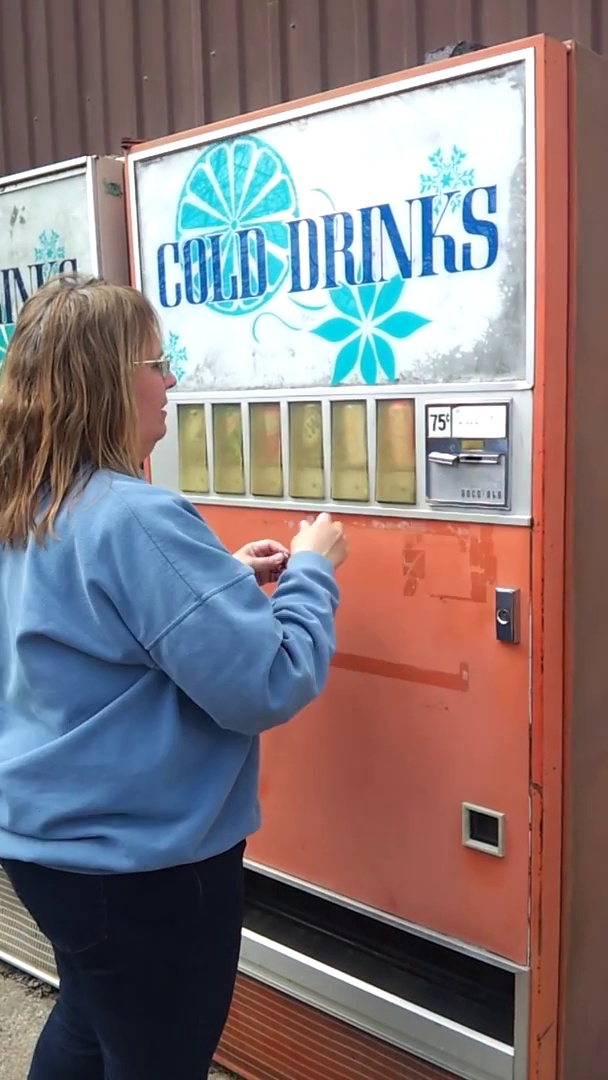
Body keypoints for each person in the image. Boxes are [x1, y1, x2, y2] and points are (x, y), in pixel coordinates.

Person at [0, 273, 348, 1079]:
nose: (171, 382)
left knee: (90, 1018)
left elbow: (84, 628)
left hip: (45, 850)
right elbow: (267, 682)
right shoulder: (133, 515)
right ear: (109, 384)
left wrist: (216, 582)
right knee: (157, 1056)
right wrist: (313, 571)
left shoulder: (26, 502)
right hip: (144, 872)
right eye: (158, 363)